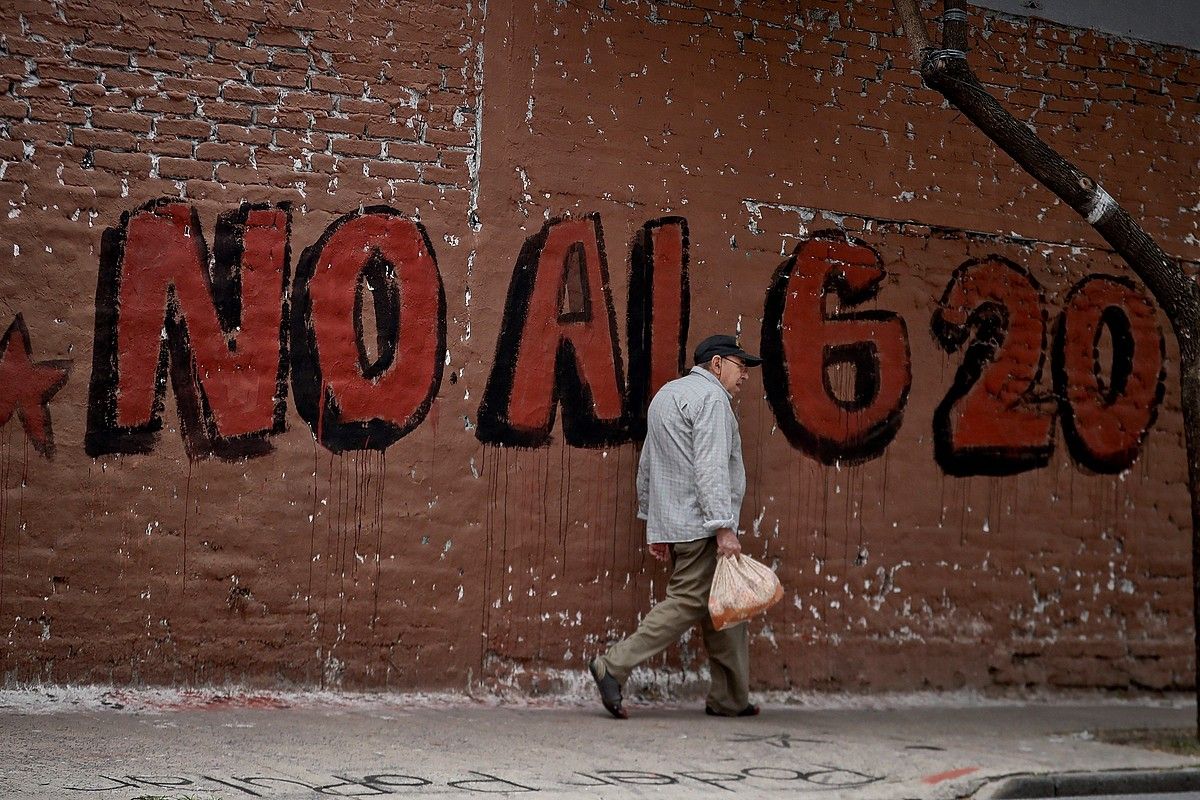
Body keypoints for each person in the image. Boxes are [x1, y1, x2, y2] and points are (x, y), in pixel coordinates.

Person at [589, 334, 762, 719]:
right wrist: (724, 527)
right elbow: (711, 466)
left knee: (725, 609)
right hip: (702, 527)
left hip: (679, 524)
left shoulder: (667, 395)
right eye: (740, 365)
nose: (745, 375)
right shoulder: (714, 399)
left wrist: (654, 523)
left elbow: (648, 462)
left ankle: (730, 698)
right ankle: (613, 666)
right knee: (688, 603)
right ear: (717, 364)